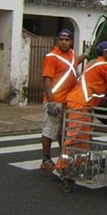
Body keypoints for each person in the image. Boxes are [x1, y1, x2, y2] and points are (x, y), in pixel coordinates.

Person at [55, 41, 107, 170]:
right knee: (74, 136)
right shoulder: (105, 65)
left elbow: (104, 82)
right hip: (80, 102)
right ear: (106, 53)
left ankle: (80, 162)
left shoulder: (93, 62)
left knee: (84, 137)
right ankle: (62, 166)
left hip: (83, 103)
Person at [39, 29, 87, 172]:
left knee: (63, 131)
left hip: (67, 100)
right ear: (57, 41)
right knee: (50, 130)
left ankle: (63, 157)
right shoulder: (51, 57)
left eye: (67, 40)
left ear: (71, 42)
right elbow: (47, 80)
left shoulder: (71, 55)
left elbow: (73, 64)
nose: (64, 42)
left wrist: (85, 55)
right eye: (61, 39)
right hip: (55, 100)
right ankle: (46, 159)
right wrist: (51, 102)